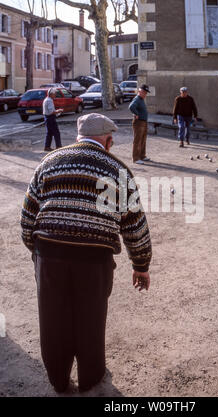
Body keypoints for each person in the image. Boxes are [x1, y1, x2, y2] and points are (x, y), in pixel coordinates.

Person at [21, 113, 152, 393]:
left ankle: (57, 378)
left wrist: (38, 254)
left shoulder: (49, 162)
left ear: (78, 136)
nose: (112, 142)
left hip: (50, 253)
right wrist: (141, 264)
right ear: (106, 140)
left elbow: (28, 214)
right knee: (90, 319)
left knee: (53, 318)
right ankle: (90, 379)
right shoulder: (117, 169)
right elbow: (135, 224)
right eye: (111, 139)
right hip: (94, 258)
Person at [129, 84, 151, 165]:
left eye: (146, 92)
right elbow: (131, 107)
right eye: (144, 92)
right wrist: (136, 113)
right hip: (139, 122)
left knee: (143, 139)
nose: (145, 94)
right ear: (140, 91)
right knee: (137, 140)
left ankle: (142, 156)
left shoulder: (141, 99)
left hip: (143, 122)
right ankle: (136, 158)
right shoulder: (137, 99)